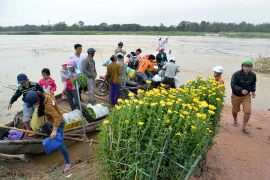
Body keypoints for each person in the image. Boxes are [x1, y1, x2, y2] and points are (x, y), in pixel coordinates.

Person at [25, 91, 71, 171]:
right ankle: (47, 142)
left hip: (58, 123)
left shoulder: (47, 106)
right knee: (43, 128)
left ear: (37, 101)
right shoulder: (44, 94)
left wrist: (54, 131)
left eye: (34, 103)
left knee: (60, 144)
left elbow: (57, 117)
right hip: (49, 121)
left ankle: (68, 163)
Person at [231, 59, 257, 134]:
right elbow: (233, 85)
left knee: (248, 111)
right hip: (236, 95)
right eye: (245, 66)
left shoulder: (253, 75)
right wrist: (241, 90)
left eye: (249, 66)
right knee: (235, 110)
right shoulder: (236, 74)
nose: (247, 68)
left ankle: (244, 126)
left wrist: (253, 91)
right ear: (242, 66)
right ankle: (235, 120)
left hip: (247, 95)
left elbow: (253, 84)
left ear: (251, 67)